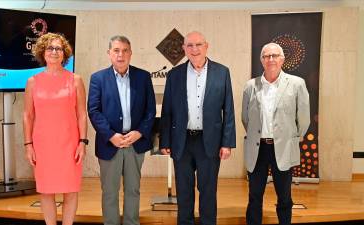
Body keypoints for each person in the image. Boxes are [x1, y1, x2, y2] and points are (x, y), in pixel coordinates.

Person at [159, 31, 236, 225]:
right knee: (184, 192)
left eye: (198, 45)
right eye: (190, 46)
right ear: (184, 49)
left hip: (209, 141)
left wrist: (227, 143)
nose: (194, 49)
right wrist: (165, 141)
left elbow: (229, 110)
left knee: (208, 191)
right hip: (181, 142)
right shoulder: (174, 75)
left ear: (206, 46)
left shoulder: (222, 72)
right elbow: (167, 111)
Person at [88, 35, 156, 225]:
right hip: (110, 144)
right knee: (109, 191)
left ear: (131, 53)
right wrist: (111, 135)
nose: (121, 54)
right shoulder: (98, 78)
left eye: (125, 50)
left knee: (133, 190)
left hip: (135, 143)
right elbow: (93, 111)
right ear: (109, 53)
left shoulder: (143, 77)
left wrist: (140, 132)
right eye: (116, 50)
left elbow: (150, 110)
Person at [241, 43, 310, 225]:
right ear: (261, 60)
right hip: (258, 149)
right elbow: (245, 118)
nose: (270, 59)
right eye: (266, 56)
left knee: (284, 196)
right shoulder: (250, 86)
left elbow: (303, 119)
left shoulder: (296, 84)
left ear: (282, 59)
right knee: (254, 196)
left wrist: (292, 138)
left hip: (284, 147)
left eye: (274, 55)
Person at [23, 32, 87, 225]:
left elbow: (82, 114)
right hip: (43, 145)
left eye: (59, 48)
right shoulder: (33, 82)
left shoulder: (75, 80)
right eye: (50, 48)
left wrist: (83, 142)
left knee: (71, 190)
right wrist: (28, 144)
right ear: (43, 52)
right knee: (46, 190)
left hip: (69, 144)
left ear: (64, 53)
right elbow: (28, 115)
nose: (54, 52)